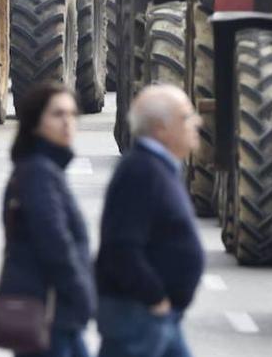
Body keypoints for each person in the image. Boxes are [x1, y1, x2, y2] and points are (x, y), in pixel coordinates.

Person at [95, 84, 204, 357]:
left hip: (157, 316)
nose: (197, 122)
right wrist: (155, 297)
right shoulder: (141, 172)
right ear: (160, 128)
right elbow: (121, 246)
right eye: (186, 117)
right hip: (138, 314)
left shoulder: (159, 168)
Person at [0, 83, 96, 357]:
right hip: (49, 312)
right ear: (35, 123)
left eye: (72, 115)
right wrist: (81, 293)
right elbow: (53, 241)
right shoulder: (38, 173)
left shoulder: (44, 169)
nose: (68, 123)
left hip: (58, 313)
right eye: (58, 114)